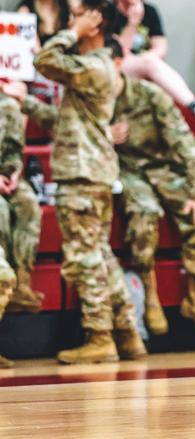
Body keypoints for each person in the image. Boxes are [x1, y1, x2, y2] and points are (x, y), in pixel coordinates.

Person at [15, 0, 146, 364]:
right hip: (92, 171)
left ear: (96, 20)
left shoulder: (96, 65)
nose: (69, 21)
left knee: (84, 257)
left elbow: (44, 60)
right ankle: (128, 334)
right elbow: (65, 122)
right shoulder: (95, 66)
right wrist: (24, 101)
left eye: (76, 15)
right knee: (100, 255)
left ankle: (99, 337)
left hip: (83, 174)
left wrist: (72, 32)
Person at [105, 39, 195, 334]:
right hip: (128, 172)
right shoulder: (91, 101)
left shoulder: (149, 95)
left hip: (164, 169)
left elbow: (185, 145)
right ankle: (150, 294)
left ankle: (194, 295)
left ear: (118, 64)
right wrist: (104, 135)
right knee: (144, 214)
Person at [111, 0, 195, 131]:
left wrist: (146, 60)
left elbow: (161, 48)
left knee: (151, 63)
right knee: (149, 63)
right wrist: (132, 23)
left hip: (147, 66)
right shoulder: (110, 10)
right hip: (118, 66)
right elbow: (118, 53)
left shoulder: (149, 11)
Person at [0, 90, 43, 316]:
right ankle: (4, 281)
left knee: (28, 204)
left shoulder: (7, 106)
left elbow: (13, 150)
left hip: (4, 177)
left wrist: (13, 172)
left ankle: (22, 284)